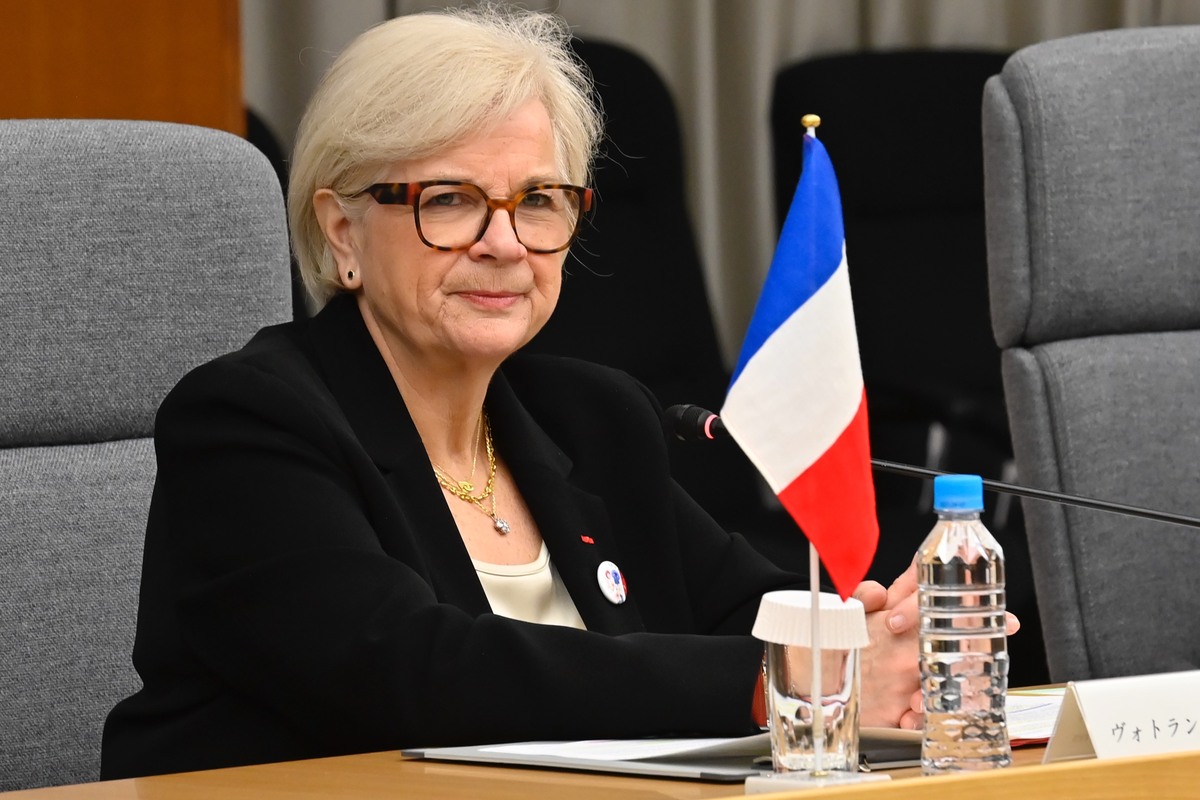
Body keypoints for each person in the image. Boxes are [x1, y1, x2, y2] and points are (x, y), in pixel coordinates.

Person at [100, 4, 1003, 780]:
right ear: (342, 232)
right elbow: (414, 673)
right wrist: (778, 682)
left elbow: (749, 609)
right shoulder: (246, 421)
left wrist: (875, 634)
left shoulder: (592, 416)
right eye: (449, 200)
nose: (504, 242)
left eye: (539, 200)